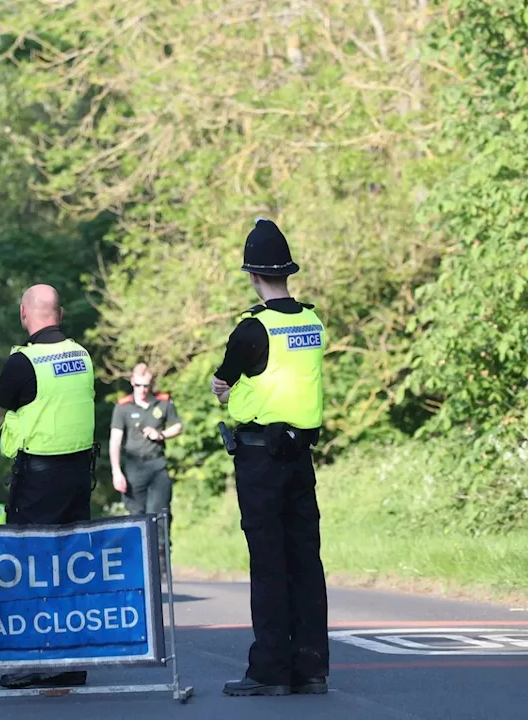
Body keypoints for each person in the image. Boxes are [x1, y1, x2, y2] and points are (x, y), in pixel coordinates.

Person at [210, 218, 329, 698]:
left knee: (269, 562)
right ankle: (312, 668)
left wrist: (224, 391)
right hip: (301, 457)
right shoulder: (311, 322)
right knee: (305, 559)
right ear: (287, 272)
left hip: (260, 458)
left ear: (253, 276)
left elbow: (225, 381)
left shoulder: (252, 330)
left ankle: (270, 670)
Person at [0, 283, 97, 690]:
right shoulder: (81, 356)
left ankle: (35, 660)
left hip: (39, 479)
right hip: (80, 477)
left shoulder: (22, 363)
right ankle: (72, 662)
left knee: (33, 568)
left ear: (24, 314)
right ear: (59, 315)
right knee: (72, 568)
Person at [109, 362, 182, 558]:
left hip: (157, 464)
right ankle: (139, 559)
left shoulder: (163, 402)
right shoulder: (123, 407)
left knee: (160, 513)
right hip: (133, 466)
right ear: (132, 382)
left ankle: (161, 558)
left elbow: (178, 426)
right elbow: (115, 441)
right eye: (139, 385)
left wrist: (161, 434)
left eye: (146, 385)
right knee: (136, 515)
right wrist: (116, 471)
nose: (142, 390)